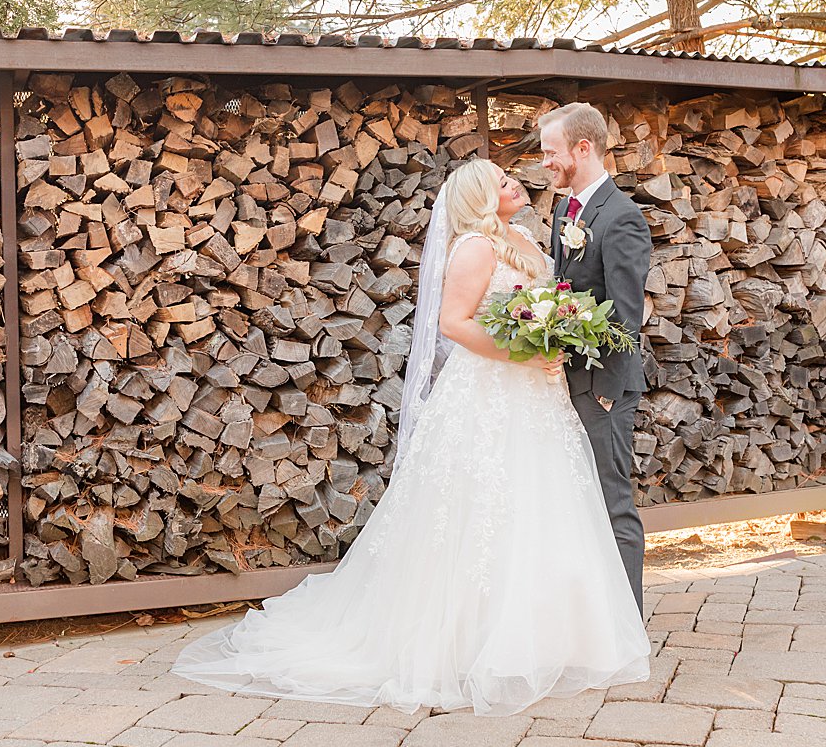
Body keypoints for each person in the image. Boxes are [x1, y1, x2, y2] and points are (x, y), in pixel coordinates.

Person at [169, 157, 650, 716]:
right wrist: (526, 350)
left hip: (540, 398)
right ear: (480, 196)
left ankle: (556, 639)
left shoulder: (523, 236)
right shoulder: (473, 247)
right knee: (484, 508)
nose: (515, 182)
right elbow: (454, 323)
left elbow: (548, 301)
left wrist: (556, 336)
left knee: (544, 504)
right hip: (491, 391)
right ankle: (471, 643)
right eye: (501, 181)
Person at [539, 102, 653, 619]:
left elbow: (626, 317)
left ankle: (627, 623)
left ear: (583, 149)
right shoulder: (567, 210)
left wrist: (604, 389)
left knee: (613, 504)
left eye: (551, 152)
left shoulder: (623, 217)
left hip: (603, 389)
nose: (546, 163)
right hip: (566, 381)